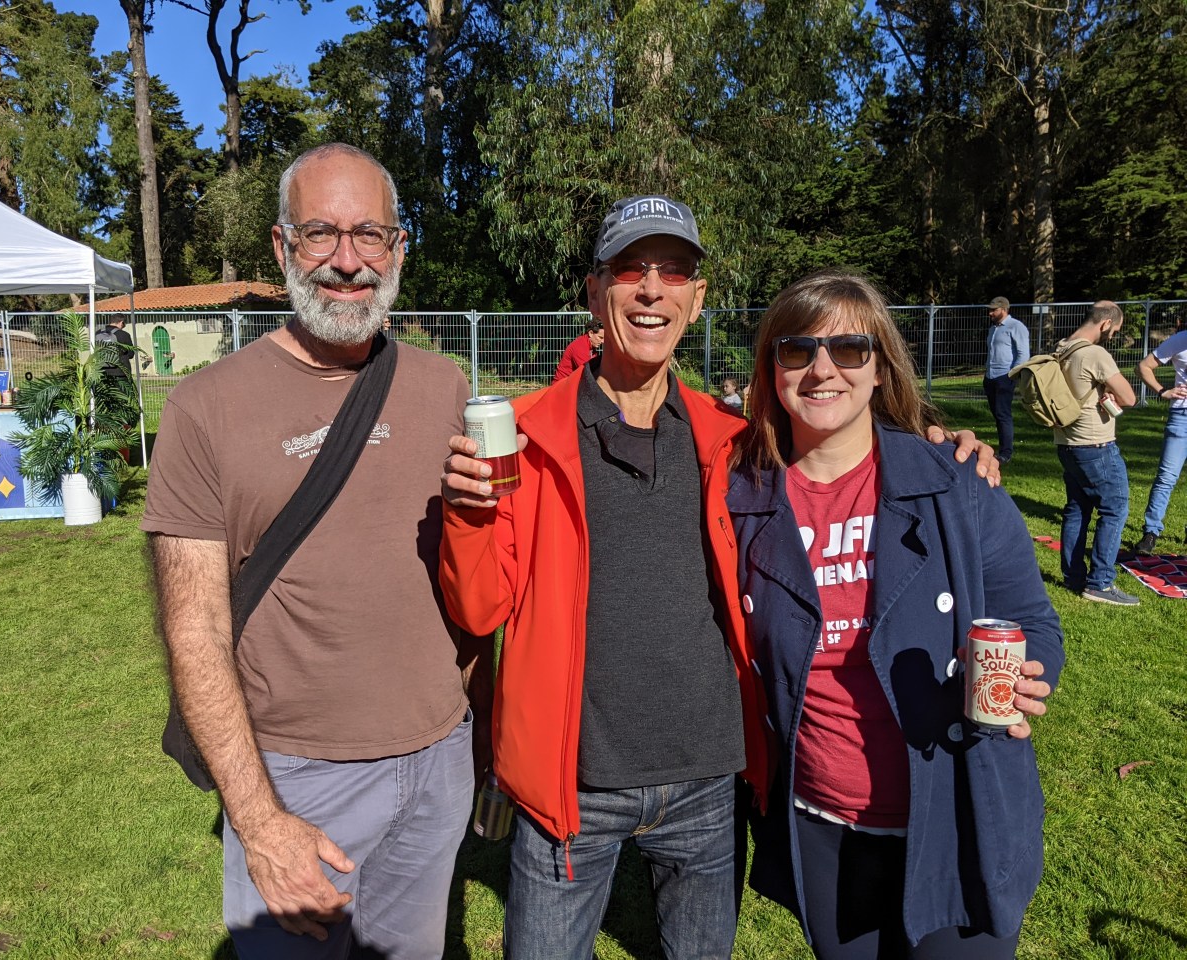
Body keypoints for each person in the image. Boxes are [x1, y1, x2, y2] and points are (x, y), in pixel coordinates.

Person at [438, 198, 999, 959]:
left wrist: (939, 449)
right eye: (630, 269)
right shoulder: (526, 438)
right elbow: (478, 608)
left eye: (674, 271)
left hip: (708, 783)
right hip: (569, 783)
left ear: (697, 299)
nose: (651, 288)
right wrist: (468, 514)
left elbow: (844, 450)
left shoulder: (732, 441)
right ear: (594, 290)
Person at [141, 143, 487, 959]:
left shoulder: (446, 386)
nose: (346, 261)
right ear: (280, 247)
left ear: (399, 247)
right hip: (299, 778)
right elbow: (192, 629)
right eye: (318, 234)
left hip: (440, 761)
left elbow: (470, 569)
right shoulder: (206, 408)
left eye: (370, 234)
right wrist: (260, 823)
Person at [730, 270, 1063, 959]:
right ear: (773, 367)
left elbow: (1033, 618)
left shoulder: (954, 483)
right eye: (798, 350)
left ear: (880, 367)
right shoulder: (740, 498)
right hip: (822, 826)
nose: (823, 370)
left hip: (956, 813)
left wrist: (1033, 673)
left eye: (850, 350)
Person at [1053, 301, 1139, 605]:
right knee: (1115, 509)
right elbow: (1129, 397)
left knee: (1077, 508)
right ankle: (1100, 583)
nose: (1111, 336)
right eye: (1113, 330)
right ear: (1105, 324)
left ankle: (1073, 576)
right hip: (1096, 445)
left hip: (1067, 443)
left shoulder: (1062, 348)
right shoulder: (1094, 353)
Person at [1132, 326, 1187, 554]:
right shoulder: (1180, 340)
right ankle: (1151, 532)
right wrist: (1163, 390)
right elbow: (1143, 367)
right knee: (1166, 477)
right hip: (1182, 418)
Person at [983, 296, 1030, 464]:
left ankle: (1006, 453)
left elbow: (1023, 354)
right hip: (990, 376)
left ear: (1003, 309)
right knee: (997, 414)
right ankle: (1003, 447)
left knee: (1003, 414)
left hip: (1004, 377)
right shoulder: (994, 329)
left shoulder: (1016, 327)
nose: (990, 313)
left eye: (993, 310)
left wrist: (1013, 374)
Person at [553, 317, 604, 381]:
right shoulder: (580, 346)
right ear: (591, 333)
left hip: (571, 383)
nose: (603, 341)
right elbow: (587, 372)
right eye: (600, 337)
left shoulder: (590, 346)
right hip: (563, 386)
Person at [95, 316, 135, 380]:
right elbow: (131, 354)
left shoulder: (97, 333)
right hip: (120, 372)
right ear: (121, 322)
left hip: (101, 371)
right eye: (124, 325)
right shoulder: (124, 334)